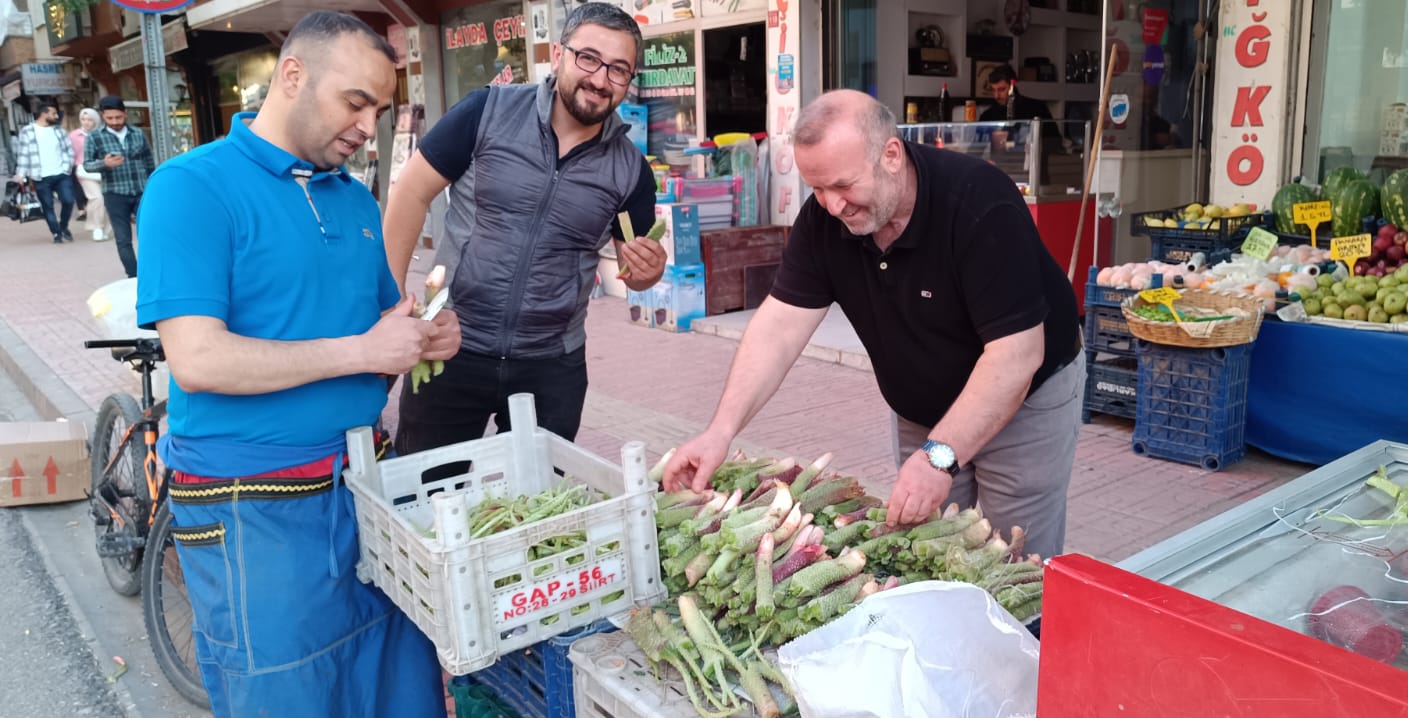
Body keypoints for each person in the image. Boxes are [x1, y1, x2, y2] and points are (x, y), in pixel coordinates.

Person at [134, 12, 457, 716]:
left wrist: (420, 337)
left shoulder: (354, 200)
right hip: (253, 507)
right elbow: (198, 359)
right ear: (292, 75)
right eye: (356, 101)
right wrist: (365, 350)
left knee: (396, 685)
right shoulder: (189, 187)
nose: (369, 125)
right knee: (286, 693)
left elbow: (378, 331)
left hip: (364, 490)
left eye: (380, 107)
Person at [662, 90, 1085, 559]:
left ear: (890, 155)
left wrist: (938, 457)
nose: (832, 206)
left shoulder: (979, 204)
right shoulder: (824, 220)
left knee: (1013, 555)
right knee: (926, 548)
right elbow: (779, 328)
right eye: (816, 189)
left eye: (843, 185)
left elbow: (1015, 357)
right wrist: (720, 431)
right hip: (921, 405)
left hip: (1024, 397)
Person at [384, 2, 664, 453]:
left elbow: (637, 272)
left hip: (552, 364)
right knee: (423, 498)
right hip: (451, 342)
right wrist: (393, 298)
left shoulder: (630, 171)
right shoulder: (487, 112)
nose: (599, 79)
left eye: (618, 69)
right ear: (559, 55)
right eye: (588, 58)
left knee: (537, 509)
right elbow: (410, 192)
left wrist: (649, 269)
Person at [83, 95, 155, 277]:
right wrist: (104, 163)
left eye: (118, 117)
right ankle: (134, 275)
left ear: (125, 114)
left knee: (150, 234)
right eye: (110, 118)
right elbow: (87, 164)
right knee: (123, 239)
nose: (115, 121)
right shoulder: (95, 137)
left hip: (141, 190)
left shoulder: (137, 133)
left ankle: (152, 272)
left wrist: (153, 186)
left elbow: (149, 162)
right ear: (103, 116)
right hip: (115, 192)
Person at [12, 101, 77, 243]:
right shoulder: (28, 131)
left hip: (62, 173)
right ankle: (56, 233)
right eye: (53, 113)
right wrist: (20, 174)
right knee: (47, 205)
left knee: (68, 200)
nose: (56, 116)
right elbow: (23, 154)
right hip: (40, 176)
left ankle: (64, 226)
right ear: (44, 113)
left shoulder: (59, 130)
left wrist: (68, 166)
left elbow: (69, 150)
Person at [70, 108, 110, 241]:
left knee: (107, 200)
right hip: (85, 171)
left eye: (90, 120)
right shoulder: (74, 136)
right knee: (97, 198)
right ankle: (97, 227)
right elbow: (71, 155)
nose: (86, 122)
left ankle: (106, 228)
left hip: (104, 169)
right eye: (83, 119)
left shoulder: (104, 134)